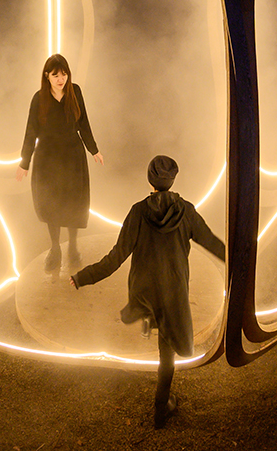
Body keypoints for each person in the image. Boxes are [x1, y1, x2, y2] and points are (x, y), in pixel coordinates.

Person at [69, 155, 224, 429]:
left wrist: (83, 277)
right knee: (167, 353)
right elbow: (210, 241)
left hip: (144, 289)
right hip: (173, 290)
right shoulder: (186, 211)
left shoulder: (138, 212)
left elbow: (116, 256)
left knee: (153, 316)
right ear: (173, 179)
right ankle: (161, 408)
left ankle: (148, 321)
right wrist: (240, 258)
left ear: (150, 180)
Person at [16, 54, 103, 271]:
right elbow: (30, 131)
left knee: (74, 203)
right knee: (51, 204)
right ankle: (55, 248)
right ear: (47, 76)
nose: (60, 78)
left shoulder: (76, 92)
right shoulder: (39, 98)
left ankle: (73, 247)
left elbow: (83, 123)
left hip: (73, 156)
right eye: (55, 75)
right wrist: (24, 162)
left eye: (64, 74)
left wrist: (94, 149)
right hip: (47, 158)